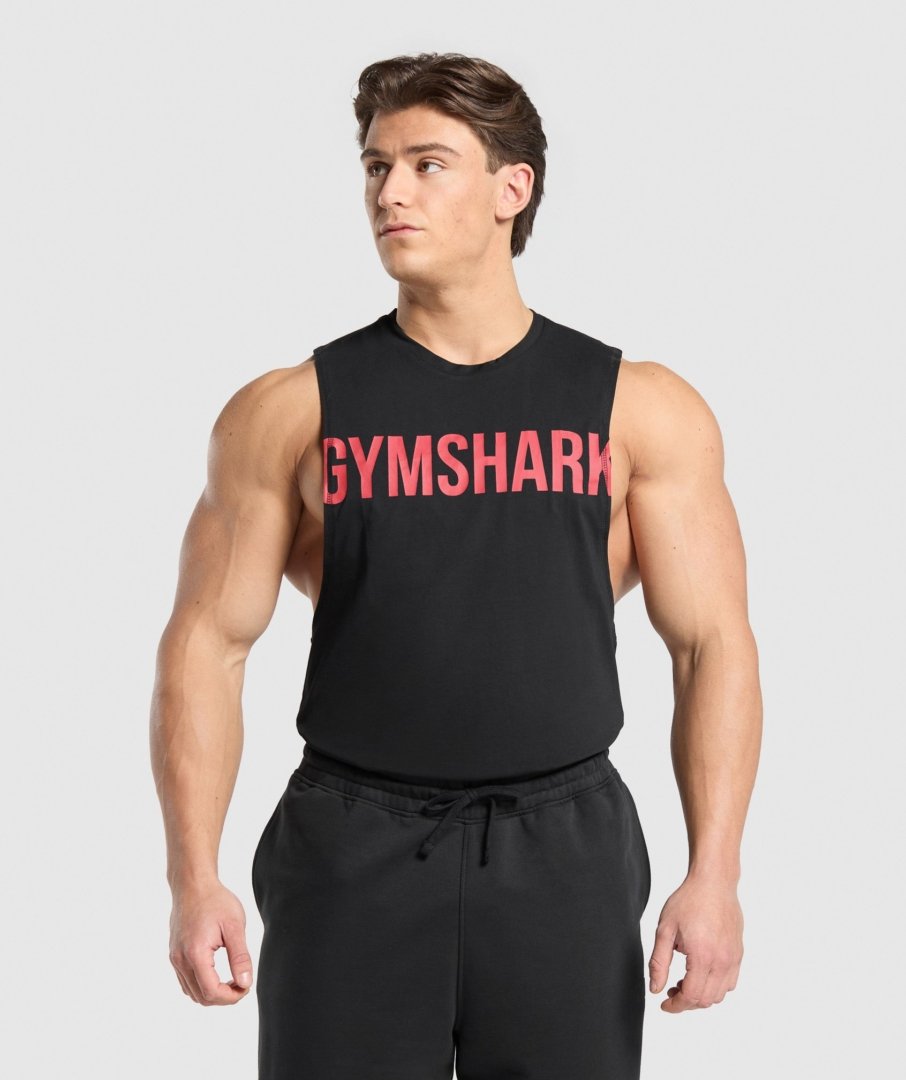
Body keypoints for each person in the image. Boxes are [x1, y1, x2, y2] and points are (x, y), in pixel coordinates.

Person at [150, 51, 761, 1080]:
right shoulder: (289, 412)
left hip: (564, 849)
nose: (390, 192)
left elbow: (711, 646)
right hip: (351, 843)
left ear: (511, 189)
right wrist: (192, 877)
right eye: (376, 166)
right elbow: (207, 645)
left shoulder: (638, 408)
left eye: (427, 164)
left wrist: (717, 875)